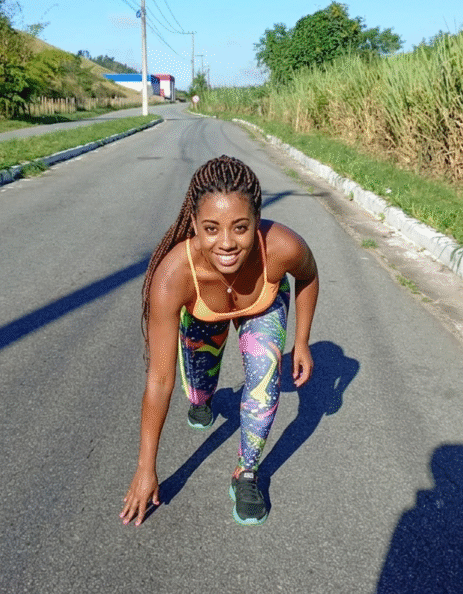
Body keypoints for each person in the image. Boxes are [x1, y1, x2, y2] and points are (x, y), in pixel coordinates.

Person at [120, 155, 319, 527]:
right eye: (211, 228)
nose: (226, 243)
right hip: (202, 312)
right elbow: (160, 380)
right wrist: (146, 468)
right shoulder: (172, 278)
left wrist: (303, 341)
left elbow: (308, 275)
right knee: (198, 388)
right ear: (193, 224)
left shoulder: (281, 248)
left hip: (260, 305)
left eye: (241, 228)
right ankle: (203, 398)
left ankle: (246, 473)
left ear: (257, 221)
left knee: (265, 383)